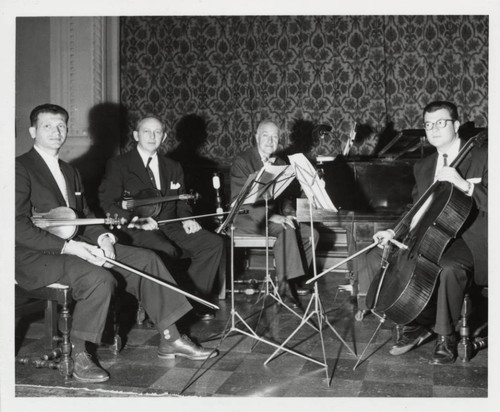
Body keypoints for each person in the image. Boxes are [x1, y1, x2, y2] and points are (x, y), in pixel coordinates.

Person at [16, 104, 218, 383]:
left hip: (76, 245)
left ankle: (170, 337)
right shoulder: (19, 167)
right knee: (98, 278)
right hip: (33, 255)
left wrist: (103, 237)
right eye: (48, 126)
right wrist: (71, 248)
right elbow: (15, 226)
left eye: (61, 125)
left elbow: (84, 214)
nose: (56, 131)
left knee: (148, 259)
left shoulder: (69, 170)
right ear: (32, 131)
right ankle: (80, 353)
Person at [364, 100, 487, 364]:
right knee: (381, 256)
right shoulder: (424, 165)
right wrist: (394, 231)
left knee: (448, 265)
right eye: (428, 124)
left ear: (455, 125)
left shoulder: (483, 154)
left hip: (472, 237)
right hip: (433, 233)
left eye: (441, 123)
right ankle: (415, 321)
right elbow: (416, 207)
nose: (434, 129)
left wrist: (465, 185)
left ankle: (446, 336)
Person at [98, 114, 223, 319]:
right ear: (136, 135)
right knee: (166, 250)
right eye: (147, 131)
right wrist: (136, 220)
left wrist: (187, 218)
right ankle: (168, 309)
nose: (152, 136)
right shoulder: (119, 164)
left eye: (157, 132)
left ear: (164, 138)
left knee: (213, 243)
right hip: (136, 227)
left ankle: (192, 299)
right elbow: (107, 203)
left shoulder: (173, 166)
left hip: (171, 225)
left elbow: (181, 201)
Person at [230, 120, 319, 306]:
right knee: (285, 229)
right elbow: (239, 201)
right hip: (247, 218)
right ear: (256, 137)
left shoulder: (279, 162)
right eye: (265, 135)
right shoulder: (243, 161)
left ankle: (294, 280)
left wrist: (291, 214)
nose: (271, 141)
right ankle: (285, 287)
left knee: (311, 234)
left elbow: (284, 199)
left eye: (275, 137)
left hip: (272, 219)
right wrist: (274, 217)